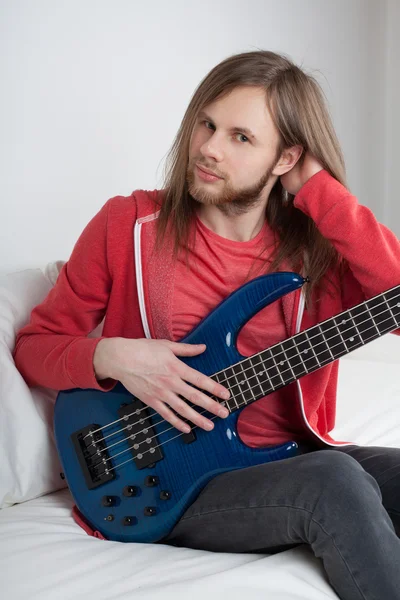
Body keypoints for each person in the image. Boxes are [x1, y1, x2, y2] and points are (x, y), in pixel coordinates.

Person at [13, 50, 400, 600]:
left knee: (335, 471)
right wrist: (113, 356)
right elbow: (34, 346)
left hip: (286, 460)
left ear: (285, 157)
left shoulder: (317, 258)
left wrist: (321, 192)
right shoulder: (129, 226)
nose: (209, 149)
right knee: (334, 483)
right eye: (207, 124)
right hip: (169, 481)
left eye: (242, 137)